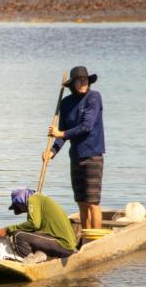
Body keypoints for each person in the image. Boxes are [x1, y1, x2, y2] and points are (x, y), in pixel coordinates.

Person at [44, 65, 105, 230]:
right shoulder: (65, 103)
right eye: (79, 80)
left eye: (85, 79)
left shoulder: (94, 97)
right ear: (72, 84)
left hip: (92, 156)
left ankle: (96, 242)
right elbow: (62, 133)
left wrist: (60, 134)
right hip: (76, 158)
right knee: (82, 204)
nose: (83, 82)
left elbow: (86, 126)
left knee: (93, 203)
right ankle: (85, 240)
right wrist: (52, 152)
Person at [0, 187, 77, 262]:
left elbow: (34, 224)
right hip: (65, 244)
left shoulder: (32, 200)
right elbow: (35, 227)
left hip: (63, 245)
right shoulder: (38, 199)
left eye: (17, 206)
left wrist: (9, 229)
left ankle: (30, 262)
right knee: (27, 234)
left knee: (18, 235)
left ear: (20, 201)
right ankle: (40, 257)